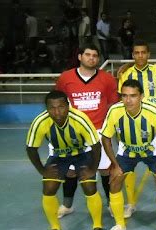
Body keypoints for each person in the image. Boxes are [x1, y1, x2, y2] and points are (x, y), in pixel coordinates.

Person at [26, 90, 108, 230]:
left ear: (68, 106)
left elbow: (96, 146)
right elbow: (31, 148)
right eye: (52, 108)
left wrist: (92, 168)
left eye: (61, 107)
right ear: (46, 108)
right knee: (48, 187)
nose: (57, 112)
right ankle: (54, 228)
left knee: (89, 186)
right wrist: (42, 170)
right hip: (59, 156)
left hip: (82, 153)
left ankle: (98, 226)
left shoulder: (79, 118)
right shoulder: (40, 122)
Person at [101, 79, 156, 230]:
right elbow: (106, 138)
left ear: (141, 96)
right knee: (114, 180)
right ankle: (119, 225)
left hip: (152, 149)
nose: (128, 100)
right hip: (127, 150)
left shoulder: (153, 111)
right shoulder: (115, 111)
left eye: (133, 96)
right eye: (124, 96)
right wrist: (115, 164)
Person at [55, 44, 119, 219]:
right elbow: (57, 102)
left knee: (105, 169)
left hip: (99, 130)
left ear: (98, 59)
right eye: (88, 55)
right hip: (73, 132)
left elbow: (113, 105)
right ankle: (67, 205)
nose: (91, 58)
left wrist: (110, 129)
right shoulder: (65, 78)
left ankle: (111, 204)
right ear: (80, 57)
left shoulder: (107, 79)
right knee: (71, 171)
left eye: (95, 56)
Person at [117, 40, 156, 216]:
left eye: (143, 52)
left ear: (149, 54)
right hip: (129, 128)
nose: (140, 56)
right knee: (127, 170)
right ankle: (131, 203)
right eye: (136, 53)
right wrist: (127, 66)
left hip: (155, 130)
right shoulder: (126, 74)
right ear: (133, 55)